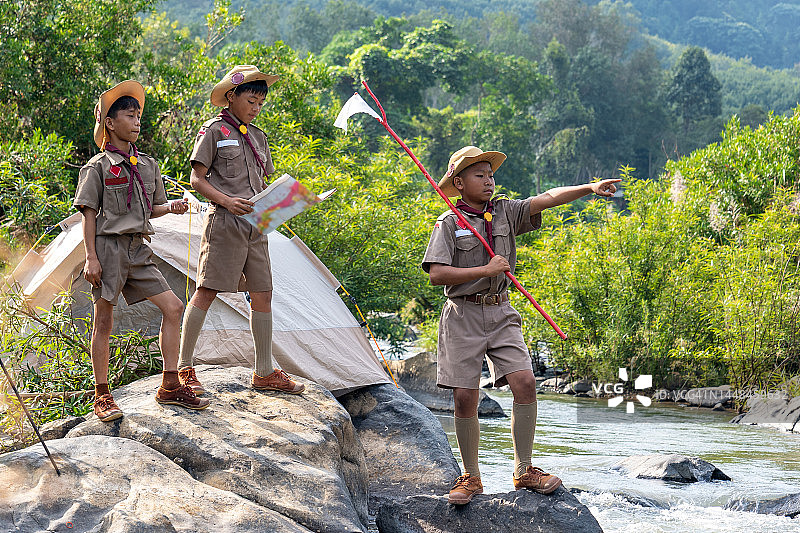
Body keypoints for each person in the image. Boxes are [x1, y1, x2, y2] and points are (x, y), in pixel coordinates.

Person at [422, 146, 620, 504]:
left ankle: (524, 469)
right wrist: (485, 270)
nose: (488, 180)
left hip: (501, 313)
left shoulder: (505, 212)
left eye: (490, 174)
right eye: (479, 175)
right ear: (459, 182)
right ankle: (471, 477)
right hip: (462, 315)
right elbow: (437, 274)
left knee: (525, 382)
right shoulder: (448, 223)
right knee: (465, 397)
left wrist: (589, 188)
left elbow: (547, 199)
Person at [74, 80, 210, 422]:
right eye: (130, 116)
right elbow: (88, 216)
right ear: (110, 123)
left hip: (138, 249)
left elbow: (153, 208)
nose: (137, 122)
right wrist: (91, 257)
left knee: (174, 306)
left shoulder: (147, 165)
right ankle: (102, 395)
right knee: (104, 319)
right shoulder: (98, 167)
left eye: (139, 116)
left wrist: (174, 207)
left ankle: (169, 385)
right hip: (108, 249)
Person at [176, 65, 305, 395]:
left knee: (263, 293)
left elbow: (262, 182)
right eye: (251, 100)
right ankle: (184, 367)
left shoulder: (259, 137)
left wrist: (284, 201)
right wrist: (227, 201)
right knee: (207, 289)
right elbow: (196, 180)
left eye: (261, 102)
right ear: (231, 96)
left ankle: (263, 371)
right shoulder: (214, 131)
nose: (256, 107)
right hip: (225, 223)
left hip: (256, 225)